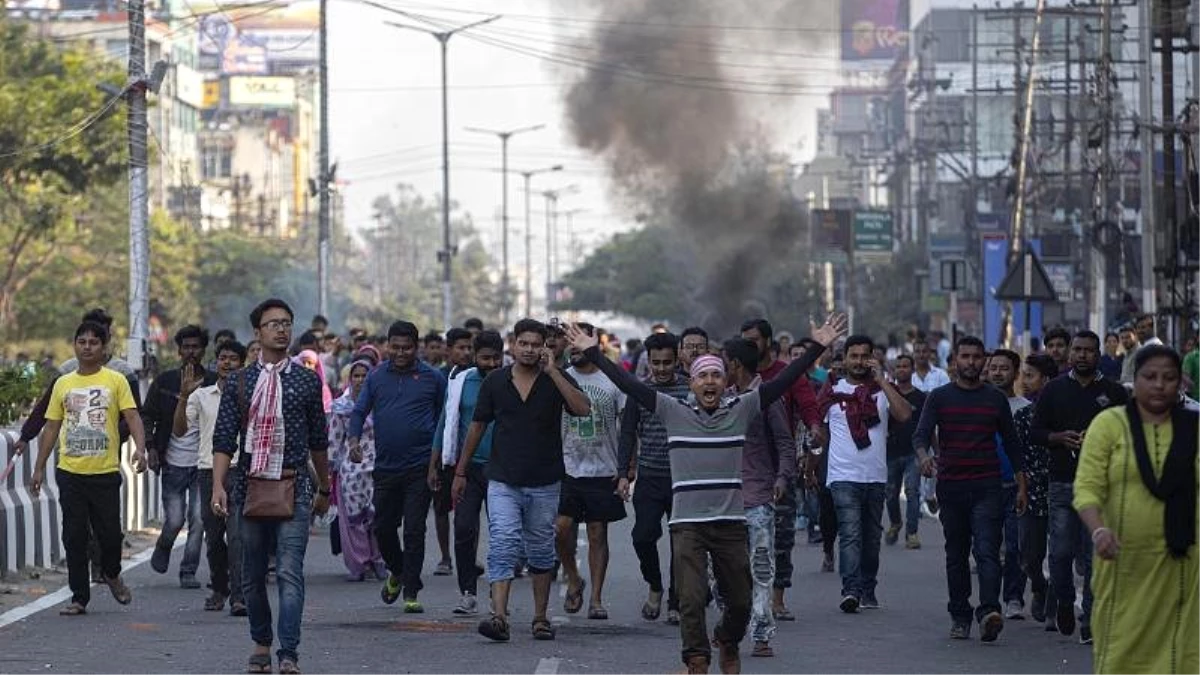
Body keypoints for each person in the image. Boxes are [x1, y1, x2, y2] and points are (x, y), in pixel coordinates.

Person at [564, 314, 846, 675]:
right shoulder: (672, 411)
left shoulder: (741, 409)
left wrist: (817, 346)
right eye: (702, 376)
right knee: (692, 600)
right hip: (688, 527)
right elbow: (630, 385)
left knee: (741, 601)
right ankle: (696, 660)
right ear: (692, 383)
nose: (709, 382)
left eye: (716, 375)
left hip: (730, 524)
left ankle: (728, 640)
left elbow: (785, 381)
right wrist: (597, 355)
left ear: (725, 380)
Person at [451, 318, 591, 643]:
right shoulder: (496, 382)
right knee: (503, 543)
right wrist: (460, 470)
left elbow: (583, 409)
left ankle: (540, 618)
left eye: (535, 344)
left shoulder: (556, 379)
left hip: (545, 481)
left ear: (545, 347)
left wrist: (554, 372)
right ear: (512, 345)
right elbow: (477, 426)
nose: (528, 350)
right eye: (523, 343)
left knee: (541, 550)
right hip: (503, 480)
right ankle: (498, 616)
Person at [211, 298, 332, 674]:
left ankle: (289, 653)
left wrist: (325, 488)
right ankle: (261, 642)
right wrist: (218, 485)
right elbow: (223, 439)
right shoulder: (240, 381)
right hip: (247, 488)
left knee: (288, 573)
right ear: (258, 332)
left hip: (294, 486)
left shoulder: (306, 381)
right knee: (250, 575)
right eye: (273, 324)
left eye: (286, 323)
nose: (281, 329)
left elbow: (318, 441)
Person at [1073, 345, 1200, 674]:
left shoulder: (1194, 427)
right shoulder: (1109, 425)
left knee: (1184, 649)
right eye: (1150, 377)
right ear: (1134, 381)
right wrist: (1098, 529)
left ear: (1181, 384)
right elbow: (1087, 486)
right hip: (1123, 561)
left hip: (1185, 563)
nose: (1159, 385)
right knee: (1122, 647)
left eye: (1169, 378)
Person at [29, 319, 148, 616]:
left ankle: (111, 572)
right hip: (70, 472)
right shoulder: (63, 384)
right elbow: (52, 427)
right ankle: (79, 596)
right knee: (73, 535)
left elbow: (133, 417)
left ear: (104, 347)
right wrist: (39, 467)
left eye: (94, 342)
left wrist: (141, 450)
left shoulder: (115, 381)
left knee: (109, 534)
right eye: (82, 342)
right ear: (74, 345)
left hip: (105, 471)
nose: (87, 347)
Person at [913, 335, 1027, 643]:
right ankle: (960, 615)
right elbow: (920, 436)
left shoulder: (995, 399)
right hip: (951, 487)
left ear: (984, 362)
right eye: (965, 357)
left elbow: (1013, 445)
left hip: (988, 485)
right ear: (955, 362)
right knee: (957, 554)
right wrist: (924, 458)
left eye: (977, 357)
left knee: (988, 551)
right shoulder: (938, 397)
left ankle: (989, 612)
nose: (972, 363)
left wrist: (1021, 484)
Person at [1030, 330, 1128, 643]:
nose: (1082, 355)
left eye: (1088, 350)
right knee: (1059, 552)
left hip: (1102, 486)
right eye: (1078, 350)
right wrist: (1058, 438)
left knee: (1093, 556)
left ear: (1098, 353)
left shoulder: (1113, 392)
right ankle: (1062, 600)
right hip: (1062, 480)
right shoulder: (1054, 389)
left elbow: (1129, 433)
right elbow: (1035, 432)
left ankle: (1090, 617)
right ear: (1070, 354)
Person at [350, 321, 447, 613]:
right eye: (395, 347)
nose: (401, 353)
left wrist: (438, 462)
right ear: (387, 346)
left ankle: (411, 590)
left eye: (406, 348)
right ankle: (398, 571)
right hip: (386, 468)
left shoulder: (432, 378)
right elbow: (359, 411)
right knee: (383, 528)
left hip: (421, 467)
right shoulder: (377, 377)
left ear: (416, 348)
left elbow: (445, 421)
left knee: (414, 530)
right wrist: (354, 441)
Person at [818, 335, 911, 614]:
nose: (858, 362)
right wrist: (811, 466)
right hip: (842, 476)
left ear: (873, 359)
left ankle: (868, 587)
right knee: (850, 534)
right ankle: (851, 590)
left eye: (864, 356)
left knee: (871, 539)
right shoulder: (832, 392)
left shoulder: (882, 390)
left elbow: (905, 415)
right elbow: (819, 434)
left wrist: (882, 381)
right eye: (853, 356)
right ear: (844, 358)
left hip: (875, 476)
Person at [724, 338, 794, 658]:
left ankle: (762, 635)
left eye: (726, 362)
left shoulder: (765, 398)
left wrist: (782, 477)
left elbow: (784, 442)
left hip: (758, 496)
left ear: (736, 364)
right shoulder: (720, 397)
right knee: (724, 572)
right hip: (723, 499)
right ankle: (730, 628)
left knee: (761, 568)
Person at [617, 332, 691, 626]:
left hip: (684, 479)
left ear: (677, 360)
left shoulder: (691, 387)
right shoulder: (640, 390)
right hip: (649, 476)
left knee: (682, 544)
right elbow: (627, 433)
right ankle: (655, 585)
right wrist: (623, 473)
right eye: (656, 363)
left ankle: (675, 600)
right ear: (648, 361)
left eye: (667, 363)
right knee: (642, 537)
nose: (661, 369)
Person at [556, 323, 627, 621]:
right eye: (569, 341)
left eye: (580, 340)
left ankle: (596, 599)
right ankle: (574, 577)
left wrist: (627, 466)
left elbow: (628, 424)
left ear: (594, 343)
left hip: (603, 467)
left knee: (598, 533)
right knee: (560, 530)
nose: (574, 347)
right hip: (566, 466)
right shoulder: (559, 377)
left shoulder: (612, 379)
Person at [430, 330, 504, 615]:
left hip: (502, 468)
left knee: (502, 534)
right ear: (475, 357)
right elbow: (444, 423)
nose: (491, 364)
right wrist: (434, 463)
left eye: (496, 358)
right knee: (463, 528)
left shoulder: (510, 381)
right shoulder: (460, 382)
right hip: (467, 468)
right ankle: (467, 591)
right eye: (485, 358)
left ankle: (498, 593)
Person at [176, 339, 248, 613]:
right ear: (216, 362)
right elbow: (180, 431)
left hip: (241, 470)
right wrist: (183, 397)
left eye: (232, 358)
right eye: (222, 358)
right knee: (215, 537)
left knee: (238, 536)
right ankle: (219, 588)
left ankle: (239, 596)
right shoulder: (200, 396)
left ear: (242, 364)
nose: (227, 363)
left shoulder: (250, 394)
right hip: (207, 473)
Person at [146, 325, 215, 588]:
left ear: (203, 350)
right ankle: (165, 543)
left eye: (195, 347)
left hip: (203, 464)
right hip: (173, 463)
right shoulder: (164, 382)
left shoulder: (212, 383)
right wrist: (151, 447)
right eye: (186, 347)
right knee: (175, 519)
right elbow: (148, 415)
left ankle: (188, 570)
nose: (190, 352)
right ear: (179, 351)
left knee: (198, 519)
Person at [1012, 353, 1059, 630]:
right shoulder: (1021, 416)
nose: (1024, 381)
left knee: (1060, 554)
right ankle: (1040, 587)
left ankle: (1054, 605)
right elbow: (1017, 457)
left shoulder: (1063, 413)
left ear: (1047, 380)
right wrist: (1021, 487)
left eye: (1030, 375)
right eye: (1024, 375)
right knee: (1029, 556)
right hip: (1030, 490)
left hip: (1062, 488)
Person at [328, 359, 386, 582]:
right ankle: (360, 564)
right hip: (351, 472)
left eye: (365, 375)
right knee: (354, 522)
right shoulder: (340, 408)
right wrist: (328, 470)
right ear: (349, 379)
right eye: (356, 375)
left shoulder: (382, 404)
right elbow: (334, 440)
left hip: (379, 467)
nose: (361, 380)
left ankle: (379, 560)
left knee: (378, 517)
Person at [986, 348, 1030, 620]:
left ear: (1015, 373)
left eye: (1004, 368)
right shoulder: (980, 404)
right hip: (985, 485)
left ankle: (1014, 596)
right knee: (988, 546)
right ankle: (990, 601)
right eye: (994, 368)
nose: (998, 373)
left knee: (1016, 546)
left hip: (1016, 486)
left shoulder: (1026, 409)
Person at [884, 354, 926, 550]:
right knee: (891, 493)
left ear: (912, 369)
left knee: (912, 491)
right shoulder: (887, 395)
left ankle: (912, 532)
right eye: (898, 366)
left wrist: (934, 452)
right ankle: (895, 522)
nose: (901, 369)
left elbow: (928, 426)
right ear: (893, 371)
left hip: (914, 453)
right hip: (890, 452)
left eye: (905, 366)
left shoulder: (921, 397)